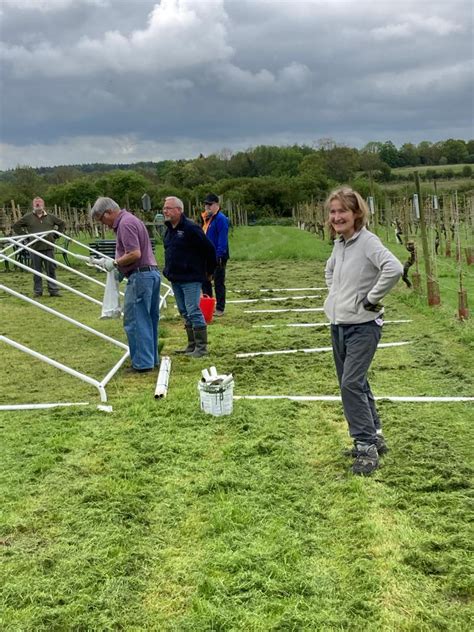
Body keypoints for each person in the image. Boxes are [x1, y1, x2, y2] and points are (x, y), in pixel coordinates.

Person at [324, 187, 403, 476]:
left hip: (363, 327)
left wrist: (371, 298)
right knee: (356, 382)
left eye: (342, 211)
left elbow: (393, 268)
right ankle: (376, 434)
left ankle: (366, 446)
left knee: (351, 384)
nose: (336, 217)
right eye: (333, 212)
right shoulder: (339, 244)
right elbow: (329, 271)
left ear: (357, 213)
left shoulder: (367, 242)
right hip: (339, 324)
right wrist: (336, 295)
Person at [91, 197, 161, 373]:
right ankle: (151, 359)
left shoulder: (125, 224)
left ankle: (142, 364)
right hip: (150, 274)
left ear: (108, 212)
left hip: (140, 277)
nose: (104, 225)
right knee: (149, 319)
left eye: (102, 220)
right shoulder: (132, 220)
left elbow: (134, 253)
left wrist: (114, 264)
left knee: (136, 321)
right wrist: (120, 271)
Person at [162, 196, 216, 358]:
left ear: (179, 210)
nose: (165, 211)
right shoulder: (169, 229)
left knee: (193, 309)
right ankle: (191, 345)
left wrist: (209, 271)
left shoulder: (191, 228)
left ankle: (201, 347)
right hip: (175, 277)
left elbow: (209, 249)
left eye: (169, 208)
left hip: (191, 277)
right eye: (164, 208)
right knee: (184, 311)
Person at [12, 197, 66, 297]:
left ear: (43, 205)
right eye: (36, 203)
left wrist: (56, 235)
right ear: (33, 205)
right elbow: (16, 226)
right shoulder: (28, 217)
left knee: (51, 270)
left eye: (40, 203)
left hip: (48, 247)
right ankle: (38, 291)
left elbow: (62, 224)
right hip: (35, 248)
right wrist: (26, 237)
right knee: (37, 271)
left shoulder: (50, 217)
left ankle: (53, 290)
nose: (38, 205)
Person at [201, 193, 229, 317]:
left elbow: (222, 240)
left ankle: (220, 308)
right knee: (205, 281)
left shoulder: (221, 219)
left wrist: (219, 256)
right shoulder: (207, 218)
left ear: (217, 205)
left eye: (210, 204)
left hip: (218, 256)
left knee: (218, 282)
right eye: (206, 204)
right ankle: (209, 305)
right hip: (206, 255)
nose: (207, 207)